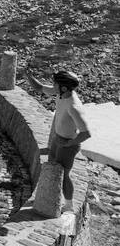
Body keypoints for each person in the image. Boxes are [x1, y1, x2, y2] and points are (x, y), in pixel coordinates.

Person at [26, 69, 92, 202]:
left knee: (63, 175)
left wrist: (69, 144)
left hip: (67, 145)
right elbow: (39, 87)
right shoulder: (61, 93)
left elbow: (86, 133)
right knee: (51, 169)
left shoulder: (73, 106)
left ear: (63, 87)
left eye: (55, 84)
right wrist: (29, 76)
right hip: (58, 139)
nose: (53, 86)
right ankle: (50, 198)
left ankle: (69, 205)